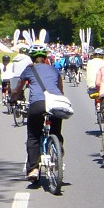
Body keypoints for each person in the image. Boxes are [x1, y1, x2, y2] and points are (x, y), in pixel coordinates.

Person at [14, 44, 65, 182]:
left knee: (33, 135)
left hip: (37, 104)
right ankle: (58, 151)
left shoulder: (29, 70)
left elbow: (19, 87)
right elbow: (60, 89)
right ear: (45, 57)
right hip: (55, 103)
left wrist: (13, 98)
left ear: (32, 58)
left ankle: (33, 169)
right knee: (56, 131)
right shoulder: (54, 69)